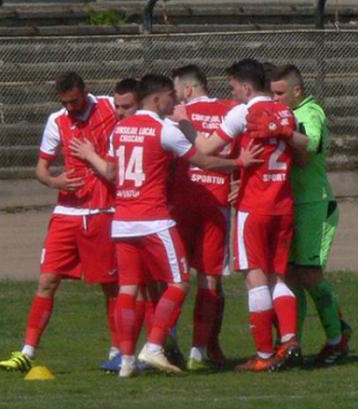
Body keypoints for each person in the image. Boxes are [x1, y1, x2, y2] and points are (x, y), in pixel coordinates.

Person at [72, 73, 261, 378]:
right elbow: (203, 160)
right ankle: (155, 345)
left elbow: (113, 171)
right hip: (154, 220)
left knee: (129, 288)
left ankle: (127, 360)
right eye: (171, 96)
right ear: (158, 99)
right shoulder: (164, 130)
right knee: (179, 282)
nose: (175, 101)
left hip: (123, 221)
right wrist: (239, 163)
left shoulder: (119, 130)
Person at [178, 58, 306, 372]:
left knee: (255, 277)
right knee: (278, 276)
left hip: (255, 206)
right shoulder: (284, 112)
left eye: (234, 86)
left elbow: (206, 148)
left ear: (246, 87)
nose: (232, 93)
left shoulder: (243, 112)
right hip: (283, 204)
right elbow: (302, 151)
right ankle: (289, 341)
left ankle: (263, 355)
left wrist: (185, 123)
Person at [0, 72, 118, 372]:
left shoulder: (110, 107)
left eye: (74, 101)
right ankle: (27, 352)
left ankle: (118, 350)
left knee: (110, 285)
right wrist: (55, 181)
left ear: (85, 91)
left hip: (103, 211)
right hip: (67, 212)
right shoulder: (57, 120)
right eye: (65, 103)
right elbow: (41, 169)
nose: (70, 108)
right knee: (47, 280)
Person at [267, 64, 348, 364]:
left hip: (315, 204)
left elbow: (310, 144)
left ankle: (338, 338)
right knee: (289, 275)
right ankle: (292, 343)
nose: (275, 99)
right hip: (292, 204)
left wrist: (283, 130)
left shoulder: (310, 112)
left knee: (310, 274)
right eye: (272, 93)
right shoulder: (285, 112)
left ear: (297, 91)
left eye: (280, 93)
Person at [170, 64, 237, 370]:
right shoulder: (231, 110)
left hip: (183, 203)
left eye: (176, 91)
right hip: (217, 202)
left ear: (187, 89)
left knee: (175, 276)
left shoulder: (177, 115)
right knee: (210, 279)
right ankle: (201, 350)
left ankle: (167, 340)